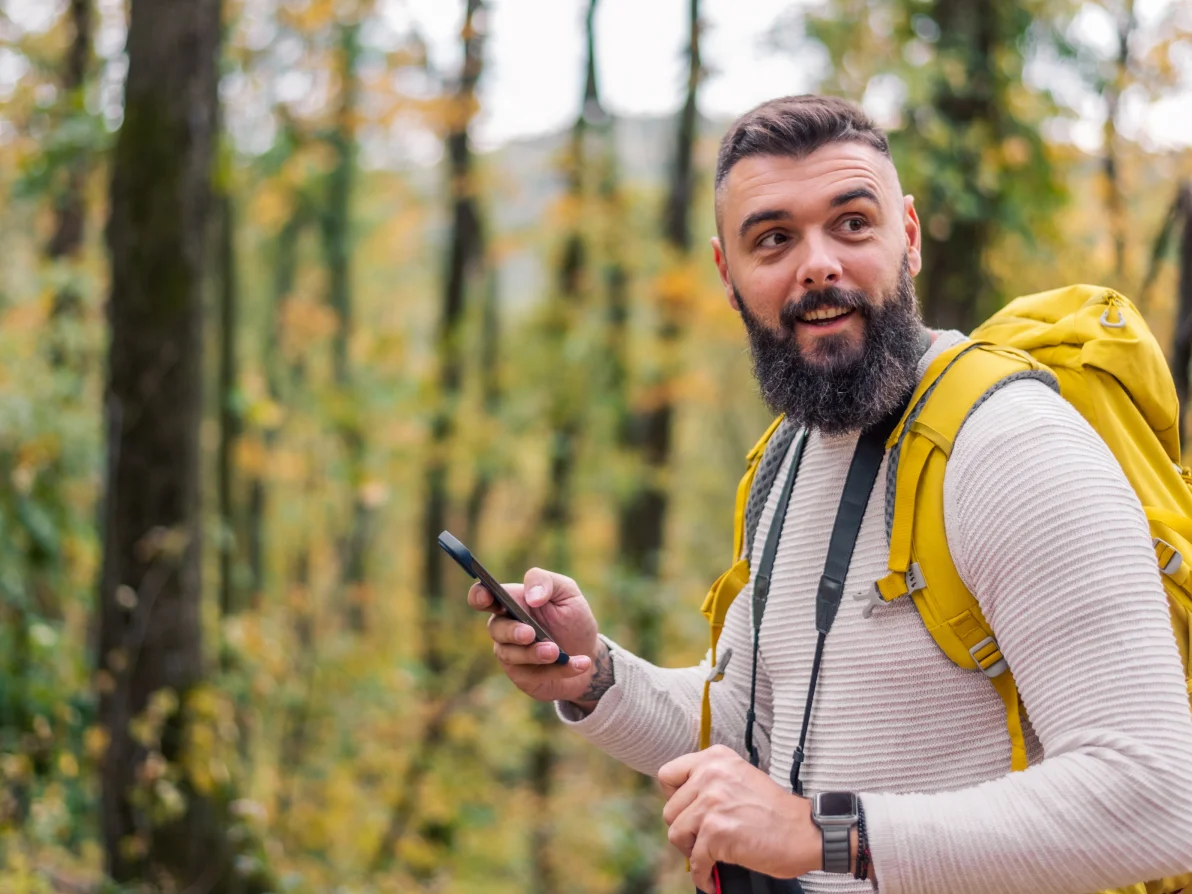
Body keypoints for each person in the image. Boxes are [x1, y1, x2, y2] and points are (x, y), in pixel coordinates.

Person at [466, 95, 1192, 894]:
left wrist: (821, 833)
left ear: (907, 237)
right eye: (774, 239)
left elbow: (1160, 797)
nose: (817, 264)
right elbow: (754, 726)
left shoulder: (1010, 447)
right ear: (728, 274)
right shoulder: (791, 453)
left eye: (851, 224)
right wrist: (595, 674)